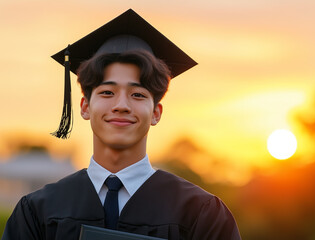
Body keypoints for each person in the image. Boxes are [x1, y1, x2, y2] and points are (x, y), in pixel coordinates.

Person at [2, 9, 241, 240]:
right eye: (107, 92)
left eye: (137, 95)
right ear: (85, 107)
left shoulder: (201, 213)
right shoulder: (38, 212)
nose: (121, 105)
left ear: (156, 113)